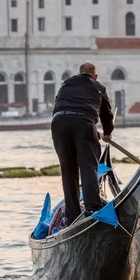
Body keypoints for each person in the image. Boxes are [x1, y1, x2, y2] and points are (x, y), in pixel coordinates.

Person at [51, 62, 114, 226]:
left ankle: (73, 217)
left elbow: (60, 106)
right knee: (88, 168)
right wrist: (107, 134)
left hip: (58, 124)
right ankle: (93, 210)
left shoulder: (66, 84)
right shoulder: (98, 87)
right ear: (95, 76)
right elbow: (107, 115)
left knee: (68, 171)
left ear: (78, 74)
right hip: (84, 123)